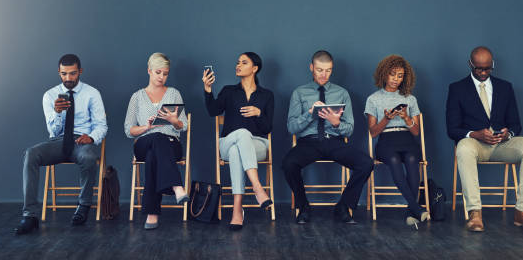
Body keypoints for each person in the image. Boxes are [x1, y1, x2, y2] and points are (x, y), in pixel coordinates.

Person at [447, 46, 523, 232]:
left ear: (492, 65)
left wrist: (509, 134)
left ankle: (522, 212)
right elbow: (452, 129)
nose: (483, 73)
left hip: (502, 144)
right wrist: (475, 134)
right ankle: (475, 213)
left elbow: (516, 124)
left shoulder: (505, 87)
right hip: (475, 144)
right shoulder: (457, 89)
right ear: (470, 64)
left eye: (487, 68)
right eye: (478, 68)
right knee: (463, 148)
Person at [15, 54, 108, 235]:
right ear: (59, 72)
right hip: (58, 141)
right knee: (30, 154)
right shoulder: (49, 95)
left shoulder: (92, 93)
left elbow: (101, 125)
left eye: (72, 74)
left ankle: (83, 206)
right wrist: (57, 112)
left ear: (80, 71)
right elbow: (54, 132)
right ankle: (30, 216)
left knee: (89, 156)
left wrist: (91, 137)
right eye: (64, 74)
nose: (68, 79)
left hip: (82, 140)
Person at [282, 50, 374, 224]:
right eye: (319, 70)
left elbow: (349, 131)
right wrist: (310, 114)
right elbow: (291, 128)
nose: (324, 75)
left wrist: (335, 122)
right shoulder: (299, 93)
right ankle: (303, 206)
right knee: (288, 164)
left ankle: (343, 206)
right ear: (311, 68)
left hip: (334, 142)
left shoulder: (342, 93)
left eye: (328, 70)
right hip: (308, 143)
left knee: (366, 163)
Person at [203, 52, 274, 231]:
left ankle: (237, 210)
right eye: (237, 62)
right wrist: (208, 89)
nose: (238, 65)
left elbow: (267, 128)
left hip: (257, 144)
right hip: (227, 142)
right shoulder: (228, 91)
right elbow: (213, 111)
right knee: (240, 135)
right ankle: (257, 188)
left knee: (237, 151)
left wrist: (259, 113)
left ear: (255, 68)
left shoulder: (267, 95)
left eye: (244, 62)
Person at [124, 53, 189, 230]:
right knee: (155, 139)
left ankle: (152, 214)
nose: (162, 77)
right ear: (149, 71)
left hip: (171, 144)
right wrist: (146, 127)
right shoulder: (137, 97)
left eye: (165, 73)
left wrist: (174, 120)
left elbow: (184, 126)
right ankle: (176, 186)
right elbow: (129, 130)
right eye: (158, 72)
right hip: (143, 144)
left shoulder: (174, 93)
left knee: (155, 152)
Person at [365, 55, 428, 227]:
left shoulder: (410, 99)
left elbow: (416, 131)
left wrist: (406, 117)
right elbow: (373, 133)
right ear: (384, 74)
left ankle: (411, 211)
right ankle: (416, 207)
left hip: (406, 139)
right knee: (393, 160)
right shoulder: (373, 99)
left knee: (412, 159)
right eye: (393, 74)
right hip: (386, 140)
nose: (396, 79)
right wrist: (386, 119)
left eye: (400, 76)